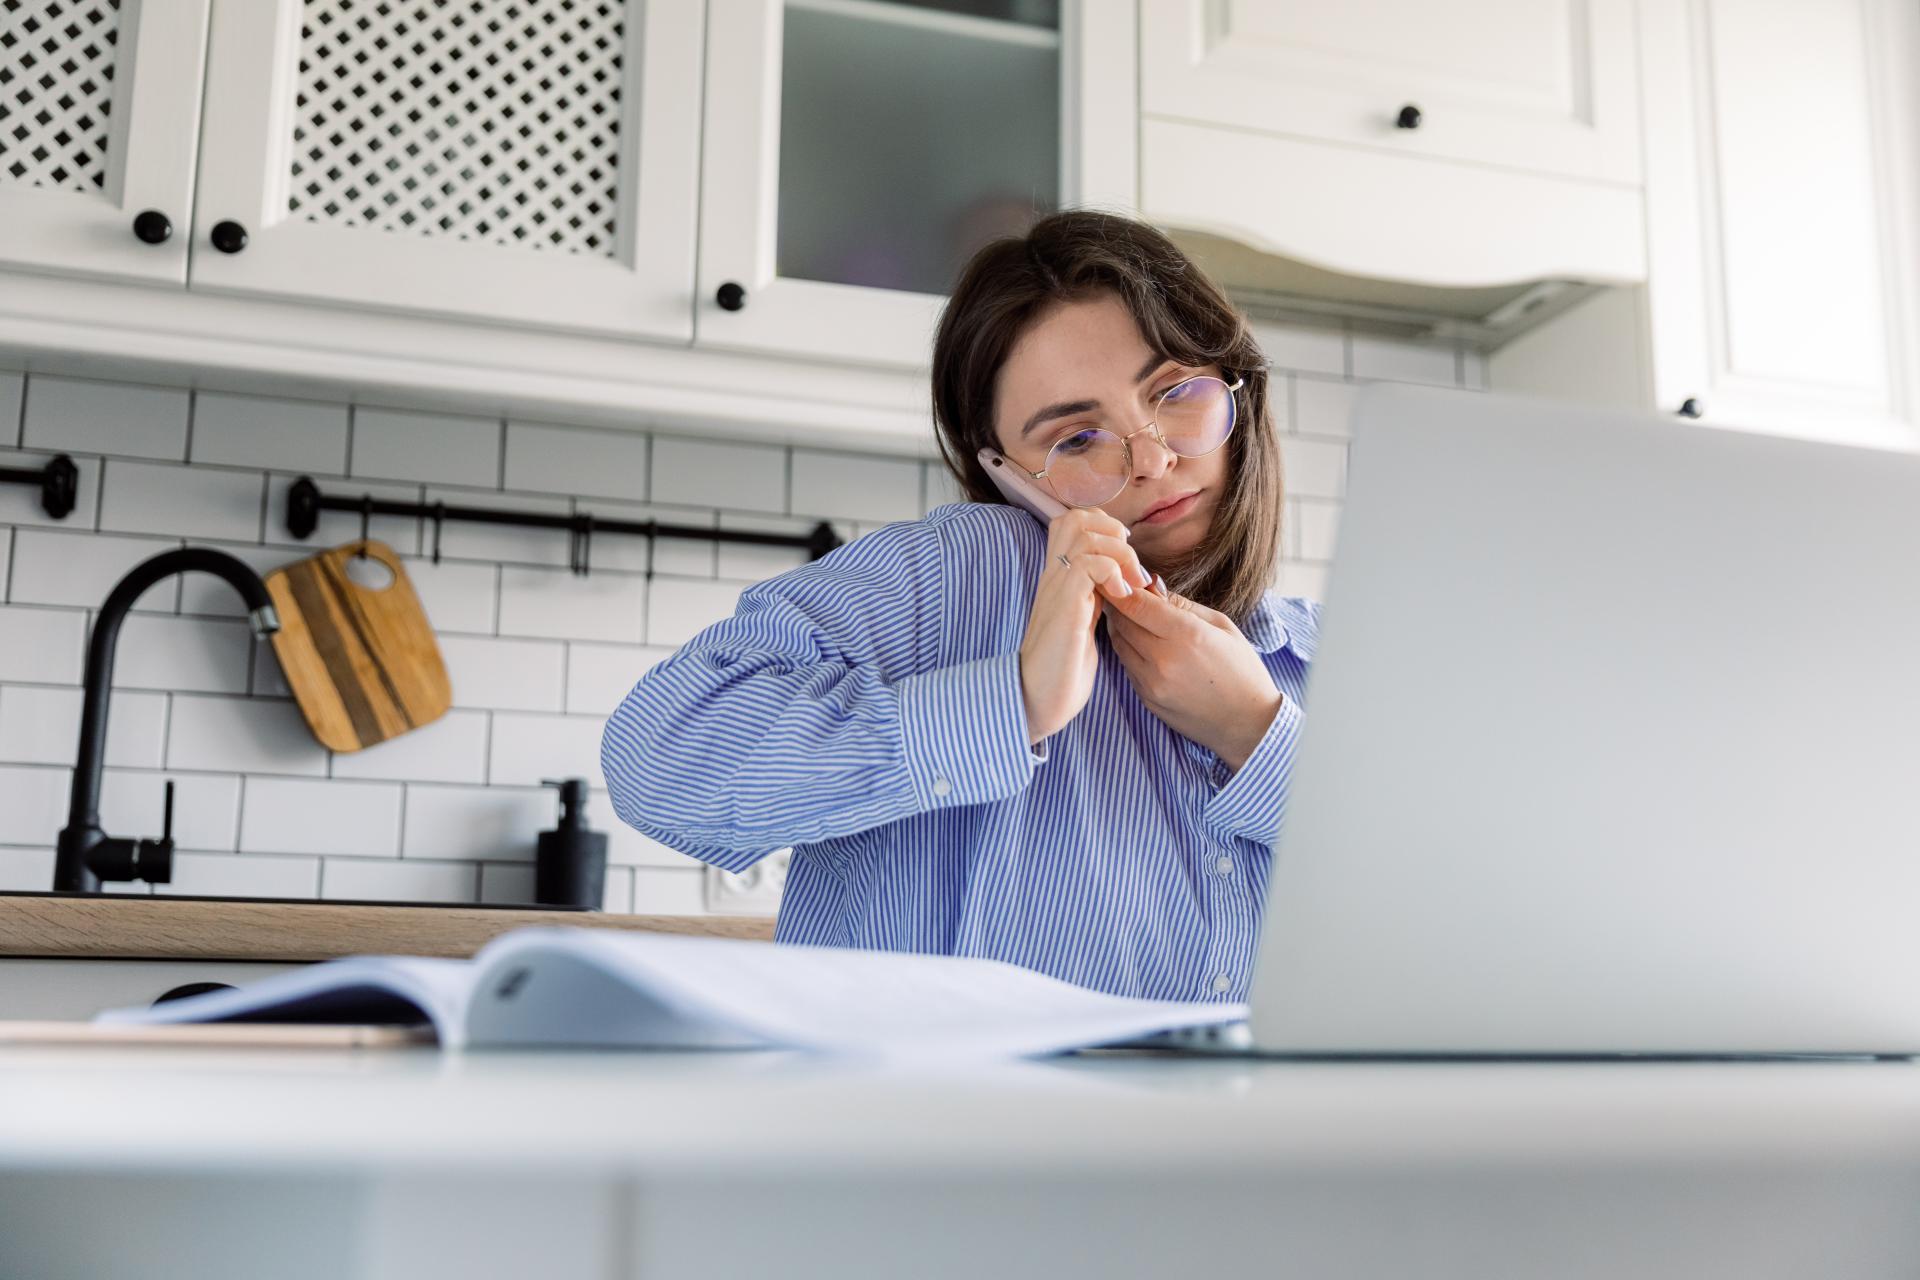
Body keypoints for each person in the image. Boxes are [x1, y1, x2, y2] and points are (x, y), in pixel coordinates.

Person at [600, 210, 1319, 1002]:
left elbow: (1458, 922)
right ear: (1007, 474)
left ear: (1238, 389)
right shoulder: (956, 574)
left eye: (1176, 392)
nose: (1152, 459)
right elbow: (656, 762)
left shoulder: (1331, 657)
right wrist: (1010, 703)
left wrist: (1257, 735)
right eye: (1076, 440)